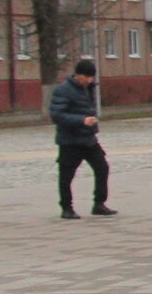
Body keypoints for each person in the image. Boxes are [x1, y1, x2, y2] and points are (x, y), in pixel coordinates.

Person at [49, 58, 115, 219]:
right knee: (66, 175)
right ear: (77, 75)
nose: (90, 80)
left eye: (92, 77)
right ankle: (67, 208)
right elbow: (56, 115)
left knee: (102, 167)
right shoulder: (63, 90)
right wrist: (81, 120)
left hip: (88, 139)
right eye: (87, 77)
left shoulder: (90, 88)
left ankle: (99, 204)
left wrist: (91, 124)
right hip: (69, 141)